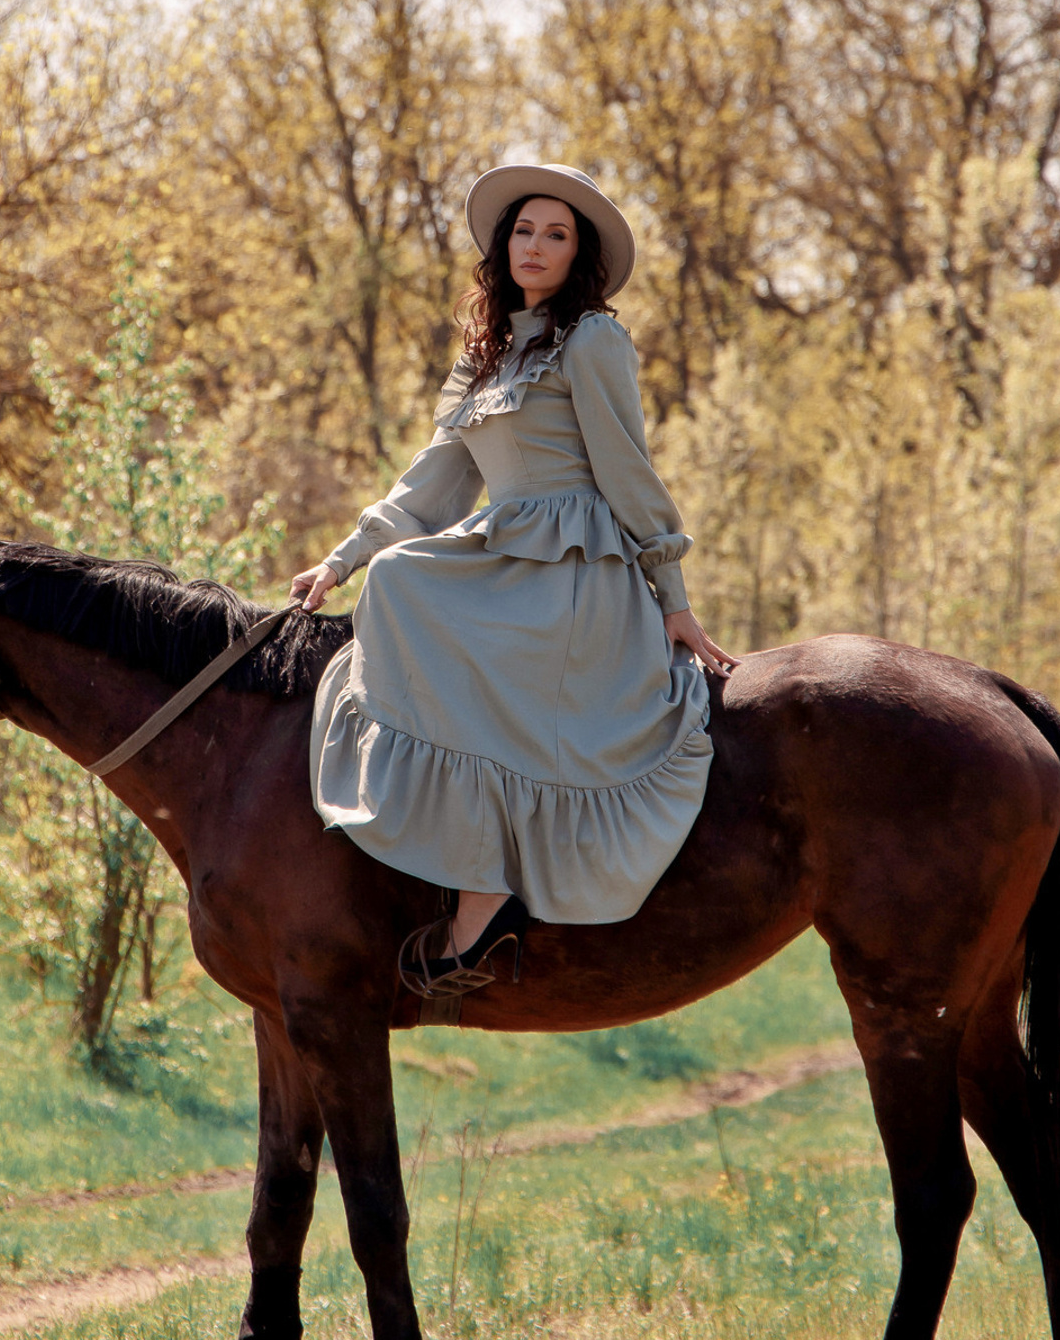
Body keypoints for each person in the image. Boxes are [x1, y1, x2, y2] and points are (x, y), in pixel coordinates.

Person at [292, 164, 737, 997]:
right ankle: (442, 856)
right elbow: (432, 483)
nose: (536, 246)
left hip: (576, 571)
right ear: (503, 247)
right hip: (506, 551)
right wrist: (341, 558)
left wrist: (673, 598)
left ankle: (486, 893)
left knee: (406, 587)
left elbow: (628, 474)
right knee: (391, 578)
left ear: (579, 257)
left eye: (557, 235)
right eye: (525, 231)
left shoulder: (593, 341)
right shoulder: (486, 354)